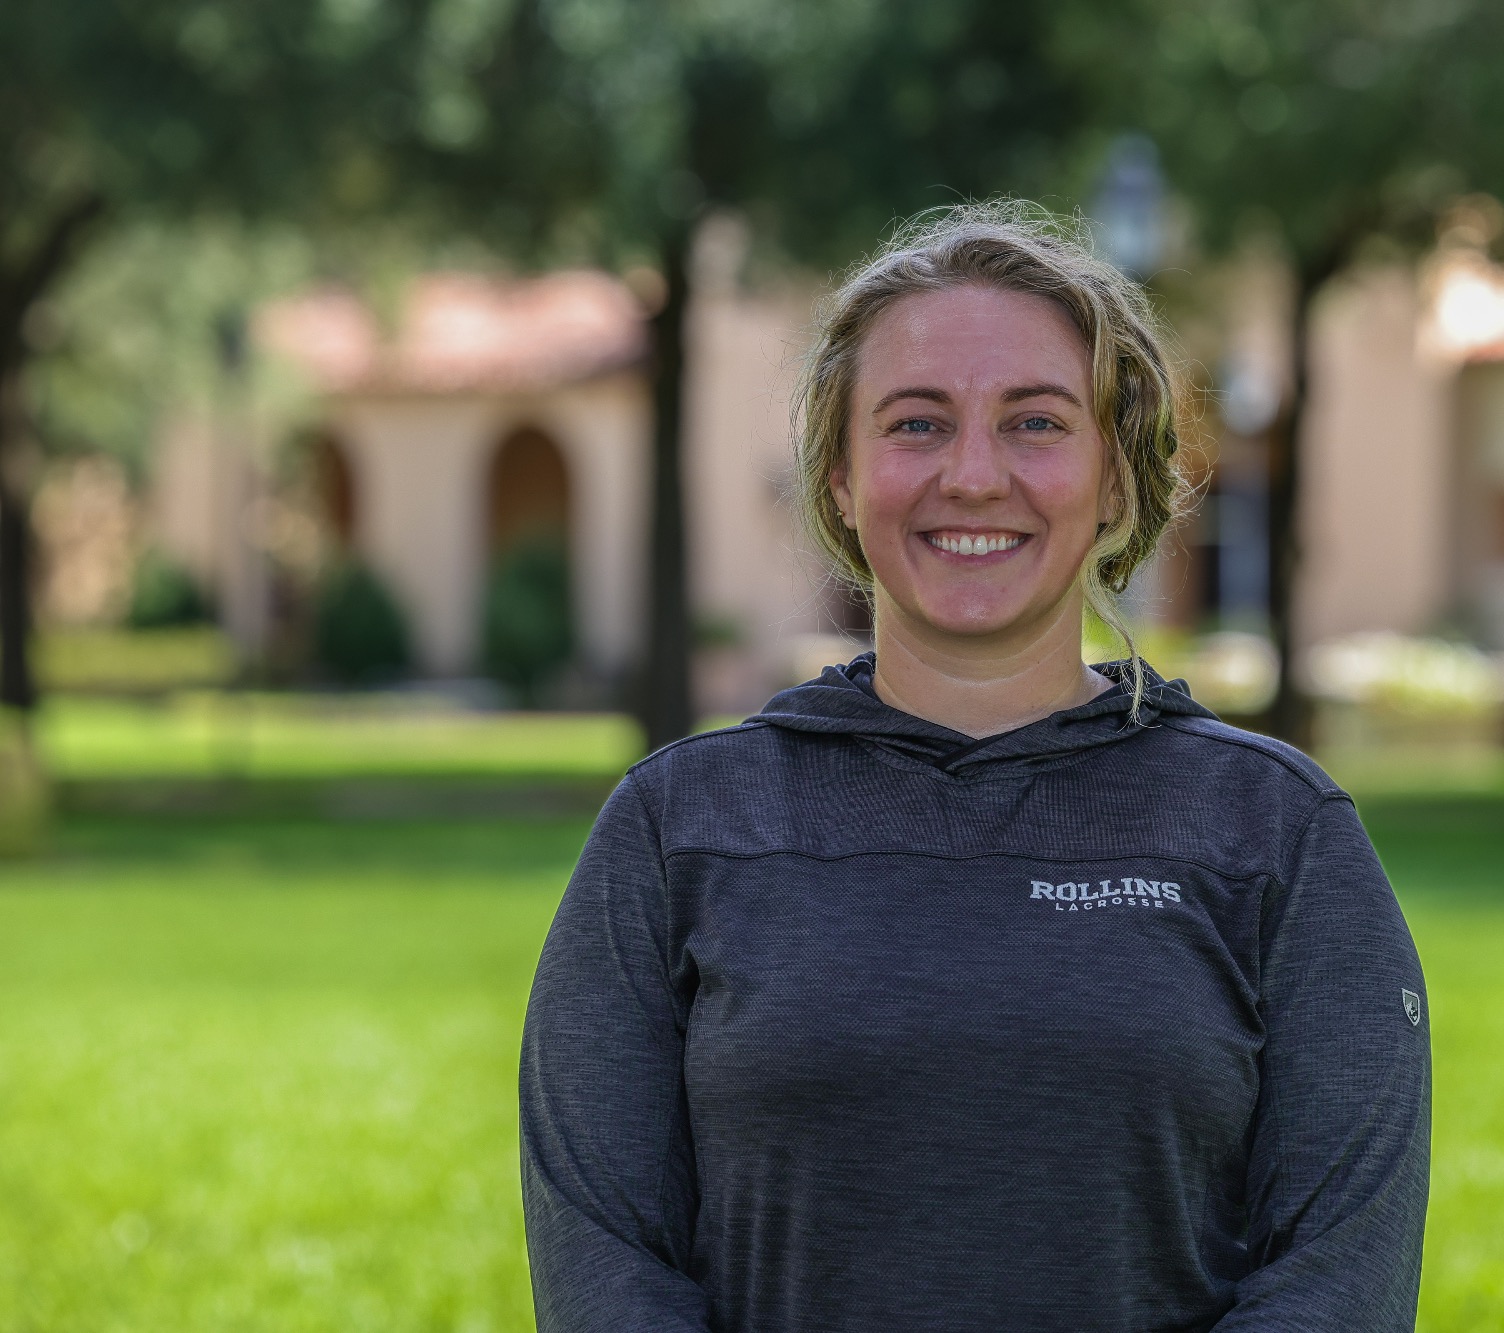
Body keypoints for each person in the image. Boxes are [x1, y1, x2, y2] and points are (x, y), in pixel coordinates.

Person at [519, 203, 1431, 1333]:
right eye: (914, 424)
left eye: (1036, 423)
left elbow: (1336, 1280)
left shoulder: (1275, 832)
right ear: (842, 481)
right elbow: (607, 1264)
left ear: (1114, 480)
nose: (972, 474)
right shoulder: (677, 829)